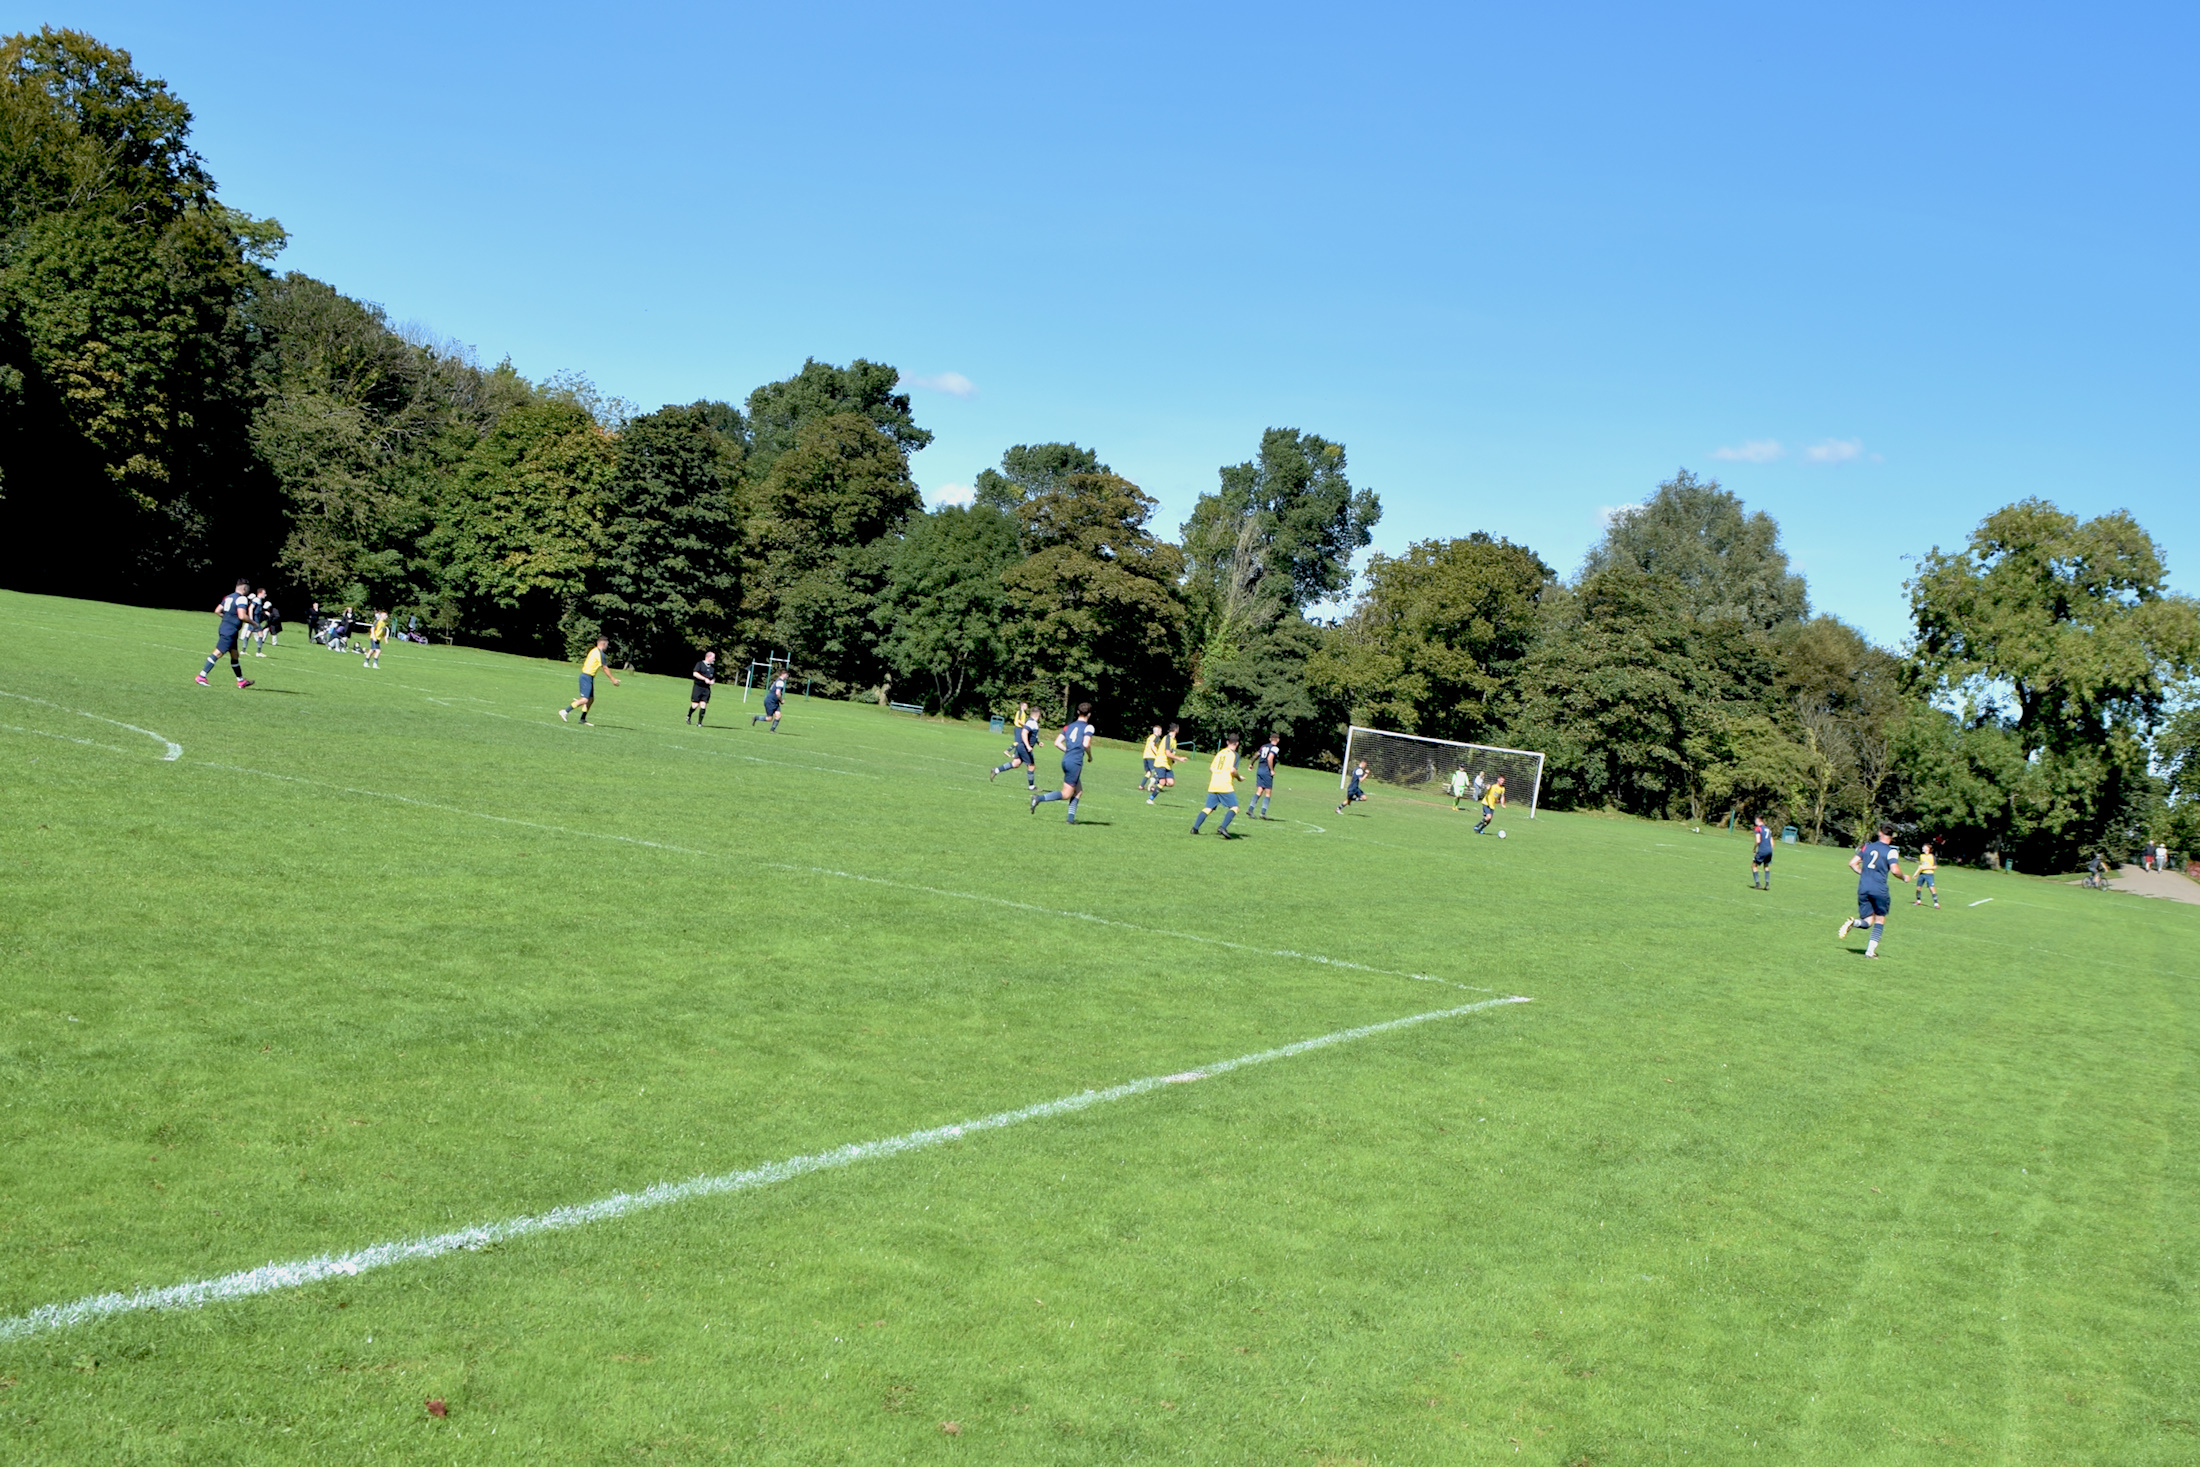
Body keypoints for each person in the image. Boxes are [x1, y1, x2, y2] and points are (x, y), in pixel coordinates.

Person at [1838, 826, 1907, 958]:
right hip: (1879, 888)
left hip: (1863, 887)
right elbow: (1895, 870)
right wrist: (1904, 877)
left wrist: (1863, 873)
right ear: (1891, 837)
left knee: (1868, 921)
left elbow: (1852, 863)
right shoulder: (1891, 851)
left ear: (1879, 833)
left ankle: (1854, 922)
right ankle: (1870, 951)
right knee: (1880, 920)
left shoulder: (1867, 847)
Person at [1033, 701, 1094, 823]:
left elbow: (1057, 743)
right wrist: (1090, 756)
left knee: (1078, 791)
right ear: (1089, 714)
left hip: (1066, 760)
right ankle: (1038, 798)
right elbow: (1086, 744)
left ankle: (1070, 819)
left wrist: (1068, 751)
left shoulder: (1068, 726)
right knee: (1066, 794)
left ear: (1078, 712)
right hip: (1075, 762)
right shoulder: (1089, 727)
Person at [196, 578, 258, 689]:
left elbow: (217, 610)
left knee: (235, 655)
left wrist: (227, 618)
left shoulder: (228, 597)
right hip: (230, 630)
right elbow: (242, 616)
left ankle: (241, 681)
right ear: (244, 588)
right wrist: (254, 623)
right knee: (218, 653)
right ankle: (201, 676)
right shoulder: (242, 599)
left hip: (226, 628)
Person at [1191, 733, 1244, 837]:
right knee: (1234, 807)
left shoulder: (1220, 753)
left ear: (1227, 742)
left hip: (1213, 783)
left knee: (1208, 808)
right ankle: (1223, 827)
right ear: (1237, 744)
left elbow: (1211, 768)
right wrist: (1239, 778)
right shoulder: (1234, 755)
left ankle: (1195, 828)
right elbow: (1233, 771)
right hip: (1224, 785)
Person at [559, 637, 620, 724]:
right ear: (604, 644)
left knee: (590, 699)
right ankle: (565, 711)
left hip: (588, 677)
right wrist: (613, 679)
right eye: (607, 644)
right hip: (586, 677)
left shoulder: (593, 650)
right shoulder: (600, 653)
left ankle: (582, 719)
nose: (607, 646)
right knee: (585, 699)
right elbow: (605, 668)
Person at [991, 702, 1042, 788]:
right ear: (1038, 714)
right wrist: (1028, 746)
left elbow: (1031, 735)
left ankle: (995, 770)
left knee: (1016, 763)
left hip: (1022, 747)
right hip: (1024, 748)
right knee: (1031, 766)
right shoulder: (1031, 723)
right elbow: (1024, 733)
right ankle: (1032, 787)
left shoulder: (1032, 722)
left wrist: (1038, 742)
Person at [1250, 732, 1280, 818]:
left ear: (1270, 739)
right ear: (1278, 740)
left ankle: (1250, 809)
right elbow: (1270, 758)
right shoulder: (1275, 748)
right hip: (1266, 771)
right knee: (1268, 793)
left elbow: (1256, 754)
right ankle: (1263, 813)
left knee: (1259, 791)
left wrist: (1251, 764)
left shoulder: (1264, 746)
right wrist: (1271, 770)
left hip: (1259, 769)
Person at [688, 651, 717, 724]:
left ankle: (699, 722)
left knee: (703, 705)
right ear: (708, 657)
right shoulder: (700, 664)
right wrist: (704, 679)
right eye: (713, 658)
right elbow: (695, 673)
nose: (714, 659)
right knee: (695, 705)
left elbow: (713, 677)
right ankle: (689, 716)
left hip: (706, 689)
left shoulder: (712, 668)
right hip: (698, 687)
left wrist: (712, 681)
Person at [1139, 724, 1167, 796]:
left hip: (1145, 756)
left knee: (1148, 773)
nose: (1161, 732)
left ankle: (1141, 785)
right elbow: (1152, 744)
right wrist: (1157, 753)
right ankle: (1152, 786)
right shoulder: (1156, 737)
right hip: (1151, 757)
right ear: (1157, 731)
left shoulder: (1150, 737)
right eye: (1160, 731)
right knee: (1156, 772)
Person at [1913, 842, 1940, 907]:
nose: (1923, 848)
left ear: (1928, 848)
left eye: (1924, 847)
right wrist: (1916, 873)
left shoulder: (1932, 856)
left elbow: (1935, 867)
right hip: (1922, 874)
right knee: (1918, 888)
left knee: (1931, 888)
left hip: (1929, 875)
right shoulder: (1922, 856)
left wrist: (1926, 867)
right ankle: (1918, 900)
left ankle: (1936, 903)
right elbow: (1920, 866)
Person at [1751, 817, 1775, 889]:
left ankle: (1758, 884)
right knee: (1766, 865)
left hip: (1762, 850)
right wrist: (1770, 850)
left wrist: (1754, 849)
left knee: (1754, 865)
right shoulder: (1768, 829)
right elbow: (1772, 842)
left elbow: (1758, 841)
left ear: (1758, 821)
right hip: (1769, 850)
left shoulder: (1758, 828)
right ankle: (1767, 884)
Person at [253, 590, 279, 655]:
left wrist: (271, 619)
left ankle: (274, 643)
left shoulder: (274, 610)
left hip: (274, 623)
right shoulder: (265, 611)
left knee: (273, 633)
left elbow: (277, 617)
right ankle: (262, 641)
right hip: (269, 623)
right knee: (264, 631)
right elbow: (262, 617)